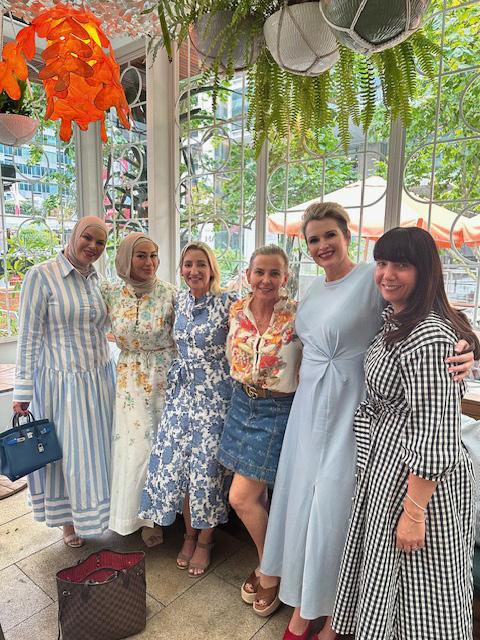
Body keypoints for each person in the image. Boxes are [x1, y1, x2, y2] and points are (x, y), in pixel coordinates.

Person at [259, 203, 475, 640]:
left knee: (334, 507)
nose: (322, 245)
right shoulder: (314, 289)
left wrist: (468, 345)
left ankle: (330, 614)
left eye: (330, 235)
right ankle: (304, 600)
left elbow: (438, 319)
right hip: (311, 407)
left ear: (347, 235)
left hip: (354, 406)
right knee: (304, 503)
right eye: (313, 239)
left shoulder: (372, 282)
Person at [332, 226, 479, 640]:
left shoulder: (428, 336)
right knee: (394, 580)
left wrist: (414, 514)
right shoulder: (399, 318)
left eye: (402, 265)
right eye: (381, 263)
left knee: (422, 591)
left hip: (418, 481)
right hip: (390, 464)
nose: (387, 274)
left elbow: (435, 430)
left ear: (425, 270)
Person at [12, 216, 115, 548]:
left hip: (100, 378)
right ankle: (69, 522)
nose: (93, 247)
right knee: (69, 453)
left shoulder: (100, 280)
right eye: (88, 238)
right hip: (62, 383)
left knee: (98, 452)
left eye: (101, 242)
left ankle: (100, 514)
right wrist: (22, 390)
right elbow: (28, 337)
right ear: (73, 235)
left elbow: (108, 326)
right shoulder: (41, 276)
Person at [139, 241, 235, 576]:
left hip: (215, 399)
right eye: (188, 264)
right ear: (181, 269)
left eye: (200, 264)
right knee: (178, 467)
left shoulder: (228, 302)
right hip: (181, 398)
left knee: (206, 472)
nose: (194, 270)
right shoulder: (178, 300)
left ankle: (205, 541)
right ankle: (189, 534)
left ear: (211, 269)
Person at [218, 245, 302, 617]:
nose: (266, 280)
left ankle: (271, 571)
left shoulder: (299, 314)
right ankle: (266, 561)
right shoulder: (236, 309)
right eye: (259, 272)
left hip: (277, 409)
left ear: (285, 277)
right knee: (258, 497)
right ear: (249, 274)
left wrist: (466, 341)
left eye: (274, 273)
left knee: (241, 497)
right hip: (241, 403)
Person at [101, 232, 176, 546]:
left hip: (164, 378)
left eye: (153, 255)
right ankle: (132, 515)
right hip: (129, 378)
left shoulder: (171, 294)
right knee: (134, 447)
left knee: (159, 446)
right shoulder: (109, 292)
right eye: (141, 255)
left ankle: (157, 517)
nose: (149, 262)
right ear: (125, 259)